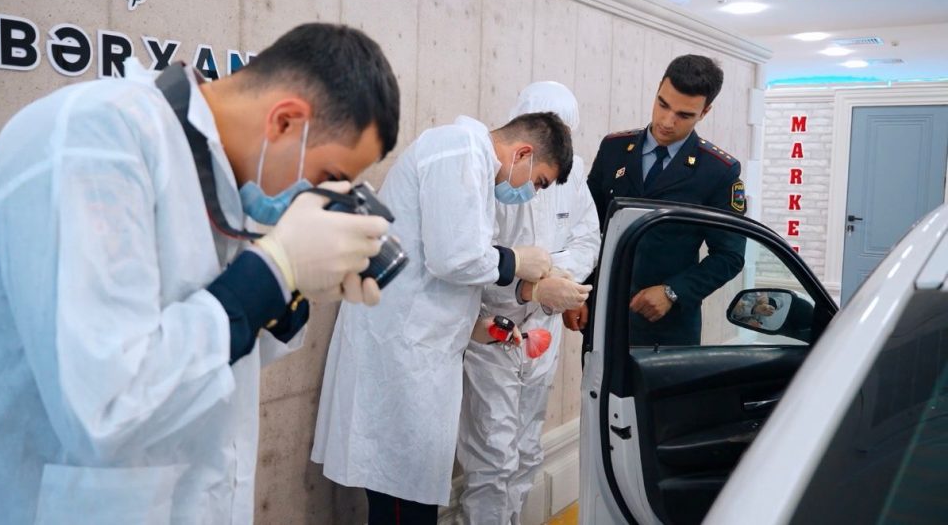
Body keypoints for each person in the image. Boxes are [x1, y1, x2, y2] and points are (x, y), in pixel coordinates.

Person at [0, 23, 400, 524]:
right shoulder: (96, 138)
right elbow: (107, 405)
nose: (325, 196)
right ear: (285, 121)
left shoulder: (222, 178)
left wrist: (294, 290)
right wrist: (273, 271)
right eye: (330, 177)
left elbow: (216, 362)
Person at [311, 111, 575, 524]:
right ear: (523, 153)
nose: (531, 194)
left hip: (416, 352)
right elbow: (453, 257)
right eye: (538, 182)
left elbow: (433, 269)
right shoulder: (459, 148)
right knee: (402, 504)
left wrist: (478, 328)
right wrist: (516, 261)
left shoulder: (471, 163)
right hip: (400, 359)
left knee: (408, 501)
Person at [456, 82, 601, 524]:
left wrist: (555, 275)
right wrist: (529, 286)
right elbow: (475, 264)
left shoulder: (572, 173)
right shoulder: (493, 176)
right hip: (494, 330)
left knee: (526, 448)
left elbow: (588, 238)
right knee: (493, 455)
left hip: (544, 329)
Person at [586, 54, 746, 346]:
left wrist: (674, 291)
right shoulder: (614, 149)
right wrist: (580, 291)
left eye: (684, 115)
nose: (667, 121)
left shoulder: (718, 171)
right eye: (662, 104)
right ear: (659, 88)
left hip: (668, 329)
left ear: (705, 112)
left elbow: (729, 256)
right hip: (602, 316)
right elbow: (585, 228)